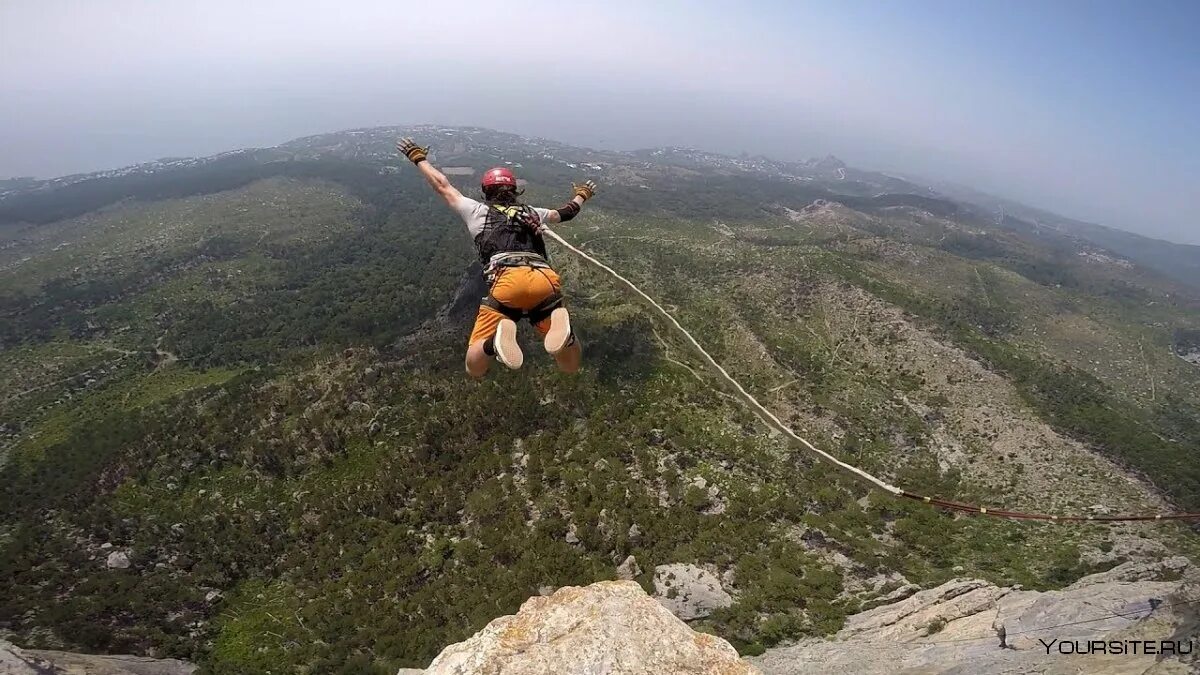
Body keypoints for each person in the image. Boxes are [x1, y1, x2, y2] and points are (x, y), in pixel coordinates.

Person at [397, 137, 597, 378]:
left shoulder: (477, 212)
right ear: (514, 190)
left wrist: (418, 159)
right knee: (570, 365)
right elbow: (566, 213)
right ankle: (565, 332)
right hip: (545, 281)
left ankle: (494, 343)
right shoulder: (534, 213)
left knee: (474, 366)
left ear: (485, 192)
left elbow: (442, 186)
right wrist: (582, 195)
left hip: (507, 284)